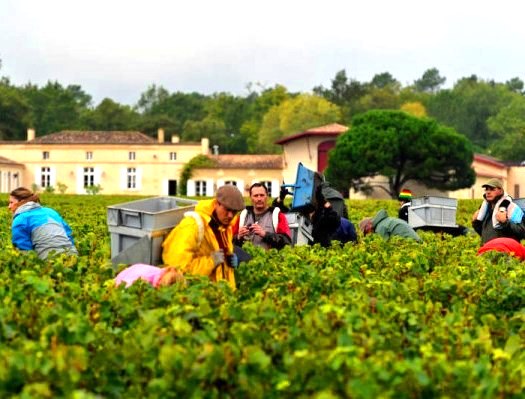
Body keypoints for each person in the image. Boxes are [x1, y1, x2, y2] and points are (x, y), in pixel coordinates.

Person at [162, 185, 245, 290]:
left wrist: (229, 260)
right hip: (200, 298)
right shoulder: (192, 226)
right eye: (227, 209)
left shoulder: (226, 227)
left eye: (234, 212)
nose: (230, 215)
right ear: (216, 204)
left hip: (221, 297)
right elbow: (176, 270)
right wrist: (211, 261)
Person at [9, 187, 78, 259]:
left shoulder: (20, 219)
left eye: (11, 202)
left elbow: (24, 250)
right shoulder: (51, 212)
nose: (9, 206)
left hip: (49, 260)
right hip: (72, 256)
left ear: (21, 201)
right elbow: (69, 234)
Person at [233, 182, 292, 250]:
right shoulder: (242, 216)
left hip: (270, 260)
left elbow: (286, 242)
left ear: (267, 196)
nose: (259, 199)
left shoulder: (277, 216)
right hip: (245, 259)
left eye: (262, 195)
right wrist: (238, 237)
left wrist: (265, 234)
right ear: (250, 198)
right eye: (256, 195)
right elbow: (229, 241)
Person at [472, 178, 525, 245]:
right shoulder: (484, 210)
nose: (488, 192)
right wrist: (475, 222)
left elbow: (522, 232)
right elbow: (483, 234)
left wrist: (505, 222)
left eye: (492, 189)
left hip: (506, 253)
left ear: (500, 190)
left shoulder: (511, 208)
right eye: (486, 189)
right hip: (487, 252)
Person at [115, 264, 185, 288]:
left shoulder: (159, 272)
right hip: (122, 280)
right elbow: (126, 287)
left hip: (128, 273)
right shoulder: (146, 278)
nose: (159, 283)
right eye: (160, 281)